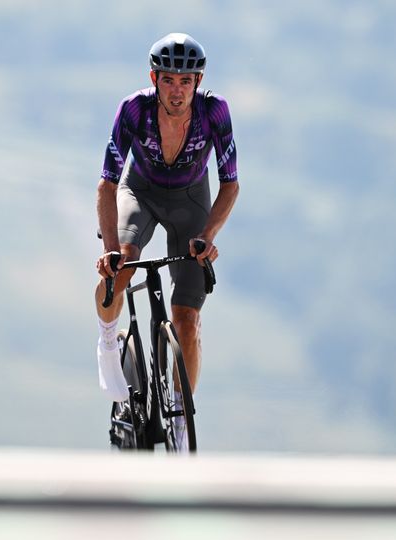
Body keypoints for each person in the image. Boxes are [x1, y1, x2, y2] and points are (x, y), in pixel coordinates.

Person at [93, 32, 240, 430]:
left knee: (187, 320)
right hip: (140, 191)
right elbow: (107, 183)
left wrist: (208, 236)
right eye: (169, 80)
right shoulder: (134, 110)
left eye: (186, 81)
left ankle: (180, 414)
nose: (177, 91)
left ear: (199, 81)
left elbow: (230, 185)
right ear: (154, 79)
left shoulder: (215, 113)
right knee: (121, 264)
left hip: (191, 200)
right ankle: (109, 338)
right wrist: (109, 250)